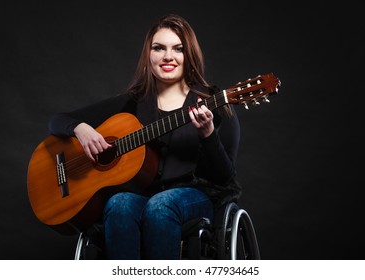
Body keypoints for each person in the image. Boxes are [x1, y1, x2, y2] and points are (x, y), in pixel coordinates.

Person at [48, 14, 241, 259]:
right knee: (119, 204)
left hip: (192, 197)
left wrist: (208, 134)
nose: (168, 56)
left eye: (178, 49)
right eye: (159, 48)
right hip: (143, 197)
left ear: (189, 55)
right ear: (148, 56)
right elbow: (57, 120)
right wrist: (80, 128)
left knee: (161, 205)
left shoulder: (214, 104)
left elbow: (224, 178)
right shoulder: (133, 102)